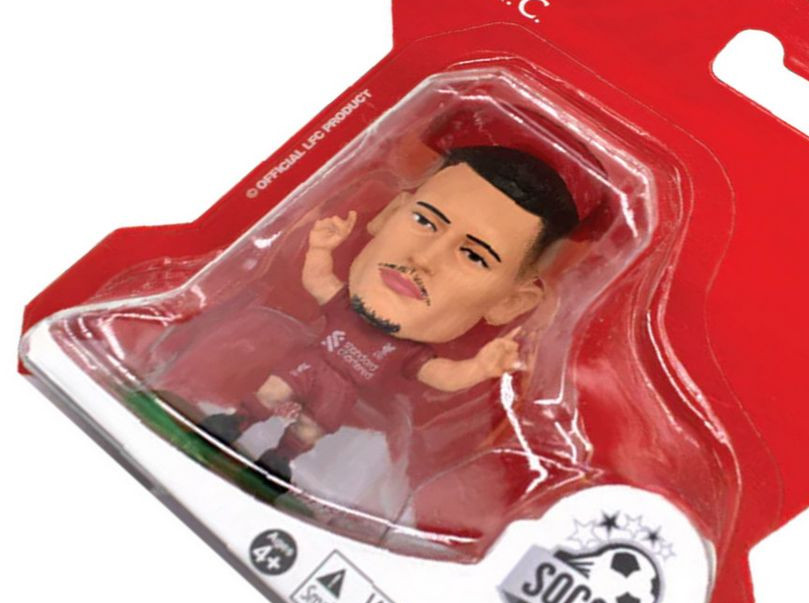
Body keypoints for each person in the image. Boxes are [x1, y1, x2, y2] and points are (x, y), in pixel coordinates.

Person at [199, 144, 583, 483]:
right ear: (389, 214)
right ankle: (234, 422)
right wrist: (320, 248)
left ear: (510, 303)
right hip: (310, 364)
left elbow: (442, 376)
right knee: (272, 390)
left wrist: (481, 367)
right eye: (424, 221)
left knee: (311, 428)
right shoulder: (341, 308)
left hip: (342, 394)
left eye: (473, 256)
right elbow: (319, 281)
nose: (423, 258)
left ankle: (280, 460)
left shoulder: (409, 355)